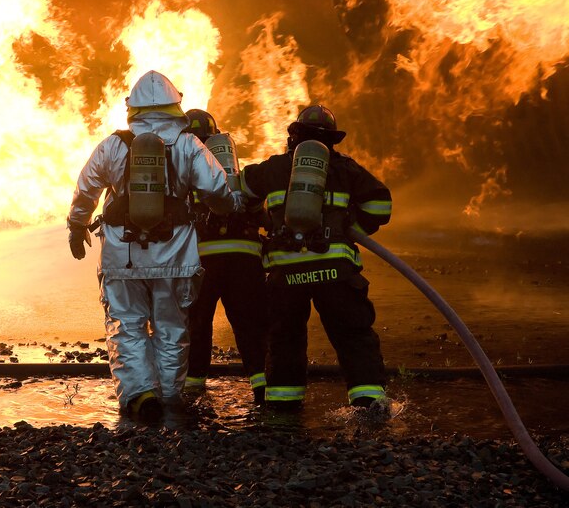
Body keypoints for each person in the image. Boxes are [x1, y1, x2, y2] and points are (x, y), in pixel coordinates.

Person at [66, 71, 242, 420]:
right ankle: (169, 398)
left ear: (133, 108)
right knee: (172, 327)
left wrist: (76, 226)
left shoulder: (114, 145)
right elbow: (216, 189)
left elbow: (86, 188)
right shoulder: (189, 144)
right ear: (174, 103)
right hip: (175, 256)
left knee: (126, 325)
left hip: (123, 257)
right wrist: (230, 207)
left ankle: (139, 396)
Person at [240, 104, 392, 411]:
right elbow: (381, 206)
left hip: (286, 272)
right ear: (332, 140)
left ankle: (284, 412)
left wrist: (264, 221)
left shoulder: (275, 167)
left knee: (285, 340)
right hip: (334, 269)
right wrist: (350, 228)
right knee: (353, 337)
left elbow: (240, 191)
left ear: (294, 137)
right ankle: (369, 407)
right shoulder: (345, 169)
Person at [182, 109, 269, 404]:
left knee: (198, 324)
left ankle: (194, 391)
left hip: (202, 262)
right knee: (250, 326)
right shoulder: (235, 174)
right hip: (245, 259)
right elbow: (262, 214)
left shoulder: (184, 170)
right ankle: (263, 390)